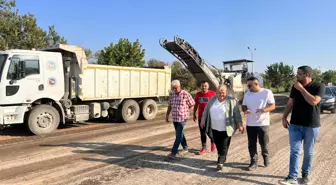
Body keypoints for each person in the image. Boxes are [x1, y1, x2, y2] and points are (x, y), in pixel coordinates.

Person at [279, 66, 325, 185]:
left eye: (299, 74)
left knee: (308, 152)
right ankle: (292, 177)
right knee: (294, 151)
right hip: (295, 125)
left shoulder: (319, 86)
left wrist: (301, 89)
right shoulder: (295, 87)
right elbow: (290, 103)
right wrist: (284, 117)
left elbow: (314, 101)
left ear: (307, 75)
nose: (296, 76)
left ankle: (305, 175)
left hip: (311, 125)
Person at [200, 84, 244, 171]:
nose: (221, 94)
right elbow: (206, 110)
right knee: (218, 144)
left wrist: (240, 124)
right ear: (216, 92)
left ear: (226, 92)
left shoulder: (231, 101)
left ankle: (220, 161)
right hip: (214, 127)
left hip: (226, 128)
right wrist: (203, 120)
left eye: (223, 92)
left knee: (224, 145)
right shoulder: (212, 100)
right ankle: (222, 156)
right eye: (219, 92)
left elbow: (236, 114)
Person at [242, 76, 275, 171]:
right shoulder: (247, 94)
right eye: (247, 85)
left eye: (249, 85)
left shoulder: (267, 92)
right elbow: (243, 106)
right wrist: (245, 110)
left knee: (264, 143)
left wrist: (263, 110)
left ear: (256, 84)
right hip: (250, 123)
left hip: (263, 123)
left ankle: (266, 157)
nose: (248, 87)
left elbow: (272, 106)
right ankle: (253, 162)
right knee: (251, 144)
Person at [166, 79, 195, 159]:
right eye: (173, 88)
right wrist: (167, 115)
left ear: (179, 86)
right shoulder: (172, 95)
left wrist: (187, 111)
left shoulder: (186, 94)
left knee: (178, 135)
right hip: (175, 118)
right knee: (180, 133)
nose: (175, 89)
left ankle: (173, 152)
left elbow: (192, 103)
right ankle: (185, 147)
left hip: (182, 118)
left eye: (176, 88)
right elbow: (170, 105)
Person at [193, 81, 217, 155]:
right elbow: (196, 104)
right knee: (202, 133)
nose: (204, 87)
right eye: (202, 86)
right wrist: (194, 113)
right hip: (201, 116)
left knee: (208, 131)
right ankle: (204, 148)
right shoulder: (198, 94)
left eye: (205, 86)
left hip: (210, 116)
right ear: (201, 87)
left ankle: (213, 142)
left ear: (208, 86)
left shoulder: (213, 94)